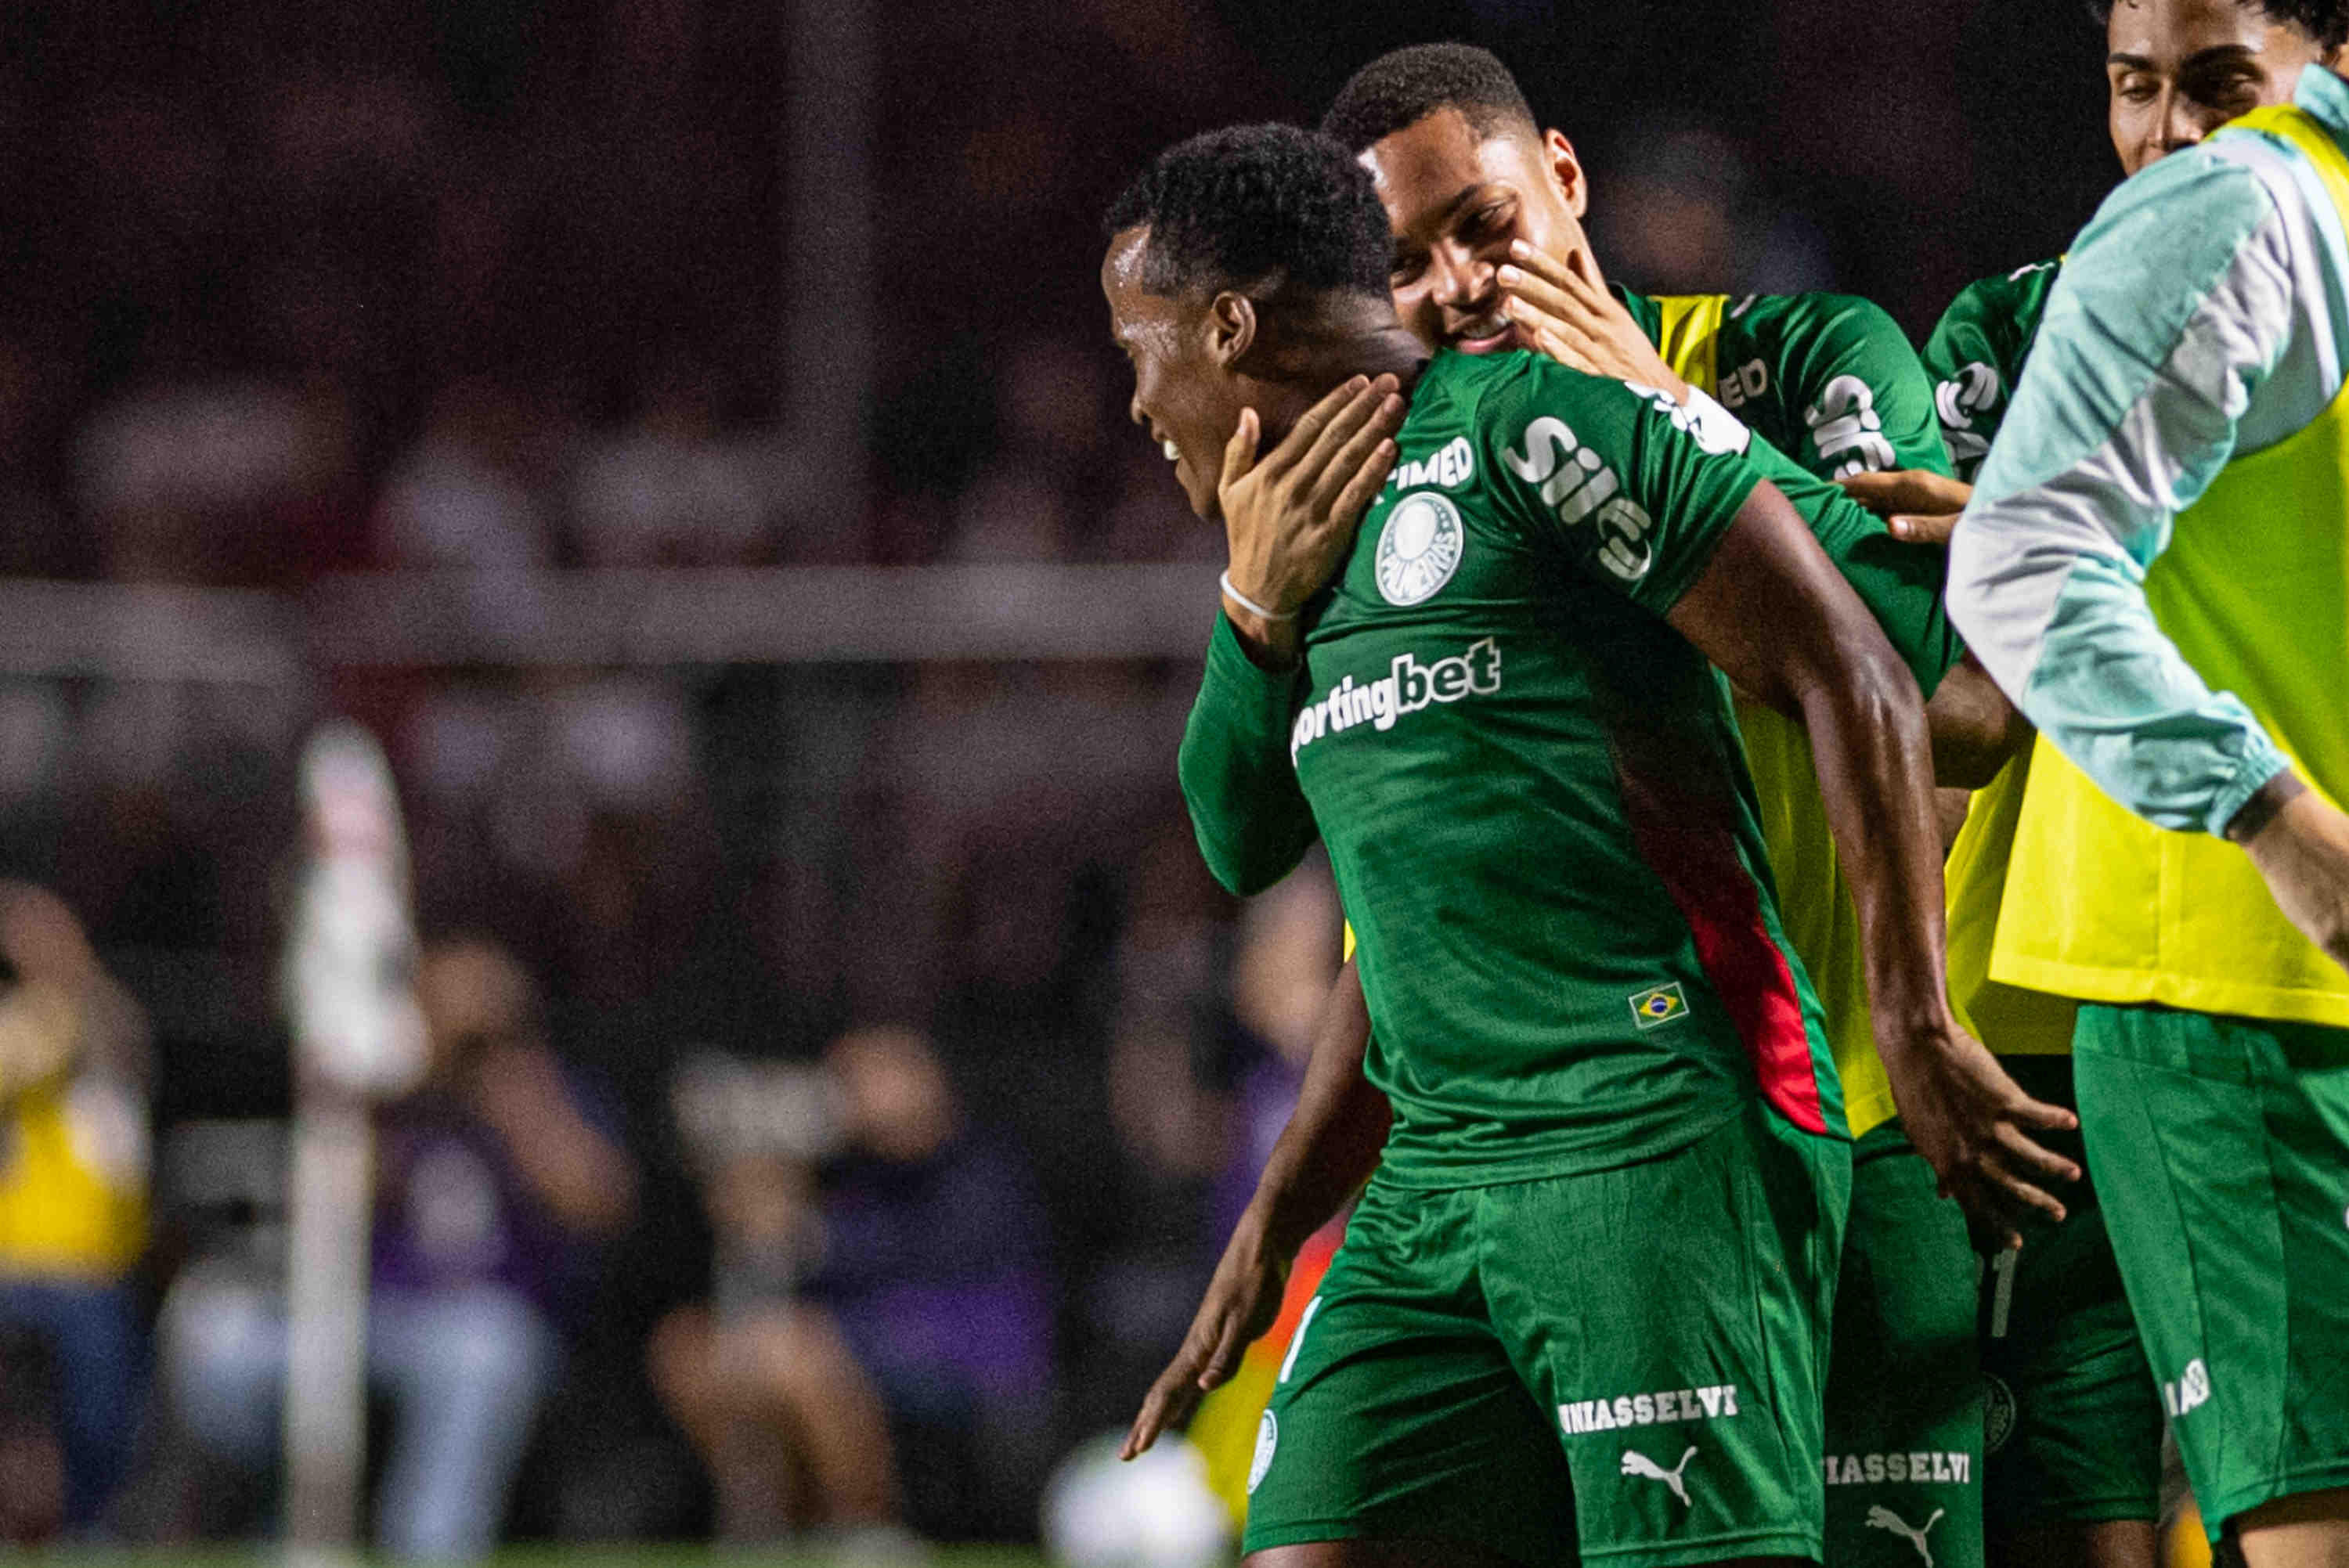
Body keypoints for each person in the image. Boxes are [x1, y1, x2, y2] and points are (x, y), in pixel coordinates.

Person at [1139, 44, 2059, 1568]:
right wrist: (1254, 609)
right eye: (1405, 265)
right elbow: (1397, 895)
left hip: (1873, 1112)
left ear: (1563, 178)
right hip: (1534, 1151)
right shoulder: (1398, 467)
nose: (1458, 286)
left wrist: (1648, 404)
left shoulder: (1800, 360)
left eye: (1484, 227)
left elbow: (1956, 708)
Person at [1890, 8, 2349, 1565]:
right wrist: (2276, 818)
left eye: (2213, 84)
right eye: (2136, 83)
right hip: (2221, 993)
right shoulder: (2236, 211)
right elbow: (2002, 619)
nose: (2163, 129)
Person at [170, 937, 635, 1563]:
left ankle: (428, 1552)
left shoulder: (543, 1093)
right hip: (363, 1321)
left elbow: (599, 1202)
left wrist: (508, 1087)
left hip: (485, 1326)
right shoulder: (380, 1092)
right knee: (213, 1333)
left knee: (481, 1351)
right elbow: (321, 1208)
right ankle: (280, 1525)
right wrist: (392, 1091)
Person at [0, 884, 151, 1537]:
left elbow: (113, 1039)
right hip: (19, 1260)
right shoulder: (21, 1018)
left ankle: (89, 1532)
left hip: (95, 1263)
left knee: (99, 1419)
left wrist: (67, 971)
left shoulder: (103, 1015)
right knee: (19, 1425)